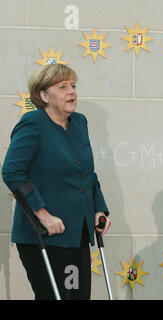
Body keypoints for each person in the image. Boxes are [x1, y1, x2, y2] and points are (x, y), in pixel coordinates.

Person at [2, 64, 111, 300]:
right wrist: (43, 215)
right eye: (62, 87)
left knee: (77, 297)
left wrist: (99, 209)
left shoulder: (80, 123)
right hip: (45, 234)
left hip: (77, 232)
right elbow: (12, 171)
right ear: (43, 95)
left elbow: (87, 174)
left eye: (73, 86)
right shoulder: (33, 123)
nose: (71, 91)